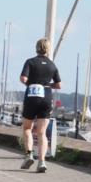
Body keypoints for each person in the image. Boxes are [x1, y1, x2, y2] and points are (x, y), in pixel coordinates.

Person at [19, 38, 62, 173]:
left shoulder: (30, 62)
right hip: (46, 96)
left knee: (27, 128)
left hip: (32, 96)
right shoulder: (52, 65)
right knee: (42, 132)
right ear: (48, 49)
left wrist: (31, 84)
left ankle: (29, 155)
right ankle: (42, 161)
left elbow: (23, 78)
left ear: (36, 48)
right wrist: (48, 84)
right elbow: (59, 84)